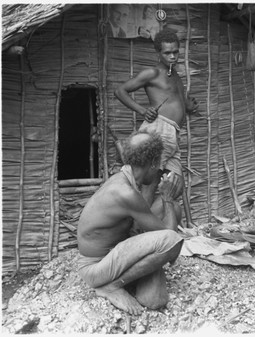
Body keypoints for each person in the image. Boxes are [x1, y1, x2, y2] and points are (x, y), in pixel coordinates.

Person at [77, 131, 184, 315]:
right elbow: (171, 236)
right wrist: (166, 196)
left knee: (154, 300)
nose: (160, 168)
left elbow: (144, 214)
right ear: (152, 164)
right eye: (158, 163)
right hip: (96, 268)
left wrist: (168, 203)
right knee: (170, 237)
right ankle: (112, 286)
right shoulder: (125, 193)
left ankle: (135, 277)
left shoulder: (127, 178)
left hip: (115, 251)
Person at [114, 30, 198, 227]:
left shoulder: (175, 74)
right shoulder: (152, 73)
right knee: (149, 183)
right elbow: (120, 91)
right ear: (158, 53)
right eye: (167, 53)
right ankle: (138, 230)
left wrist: (188, 106)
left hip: (173, 135)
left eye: (175, 52)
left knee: (175, 184)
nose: (172, 57)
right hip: (158, 130)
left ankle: (151, 224)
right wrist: (143, 111)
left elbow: (172, 98)